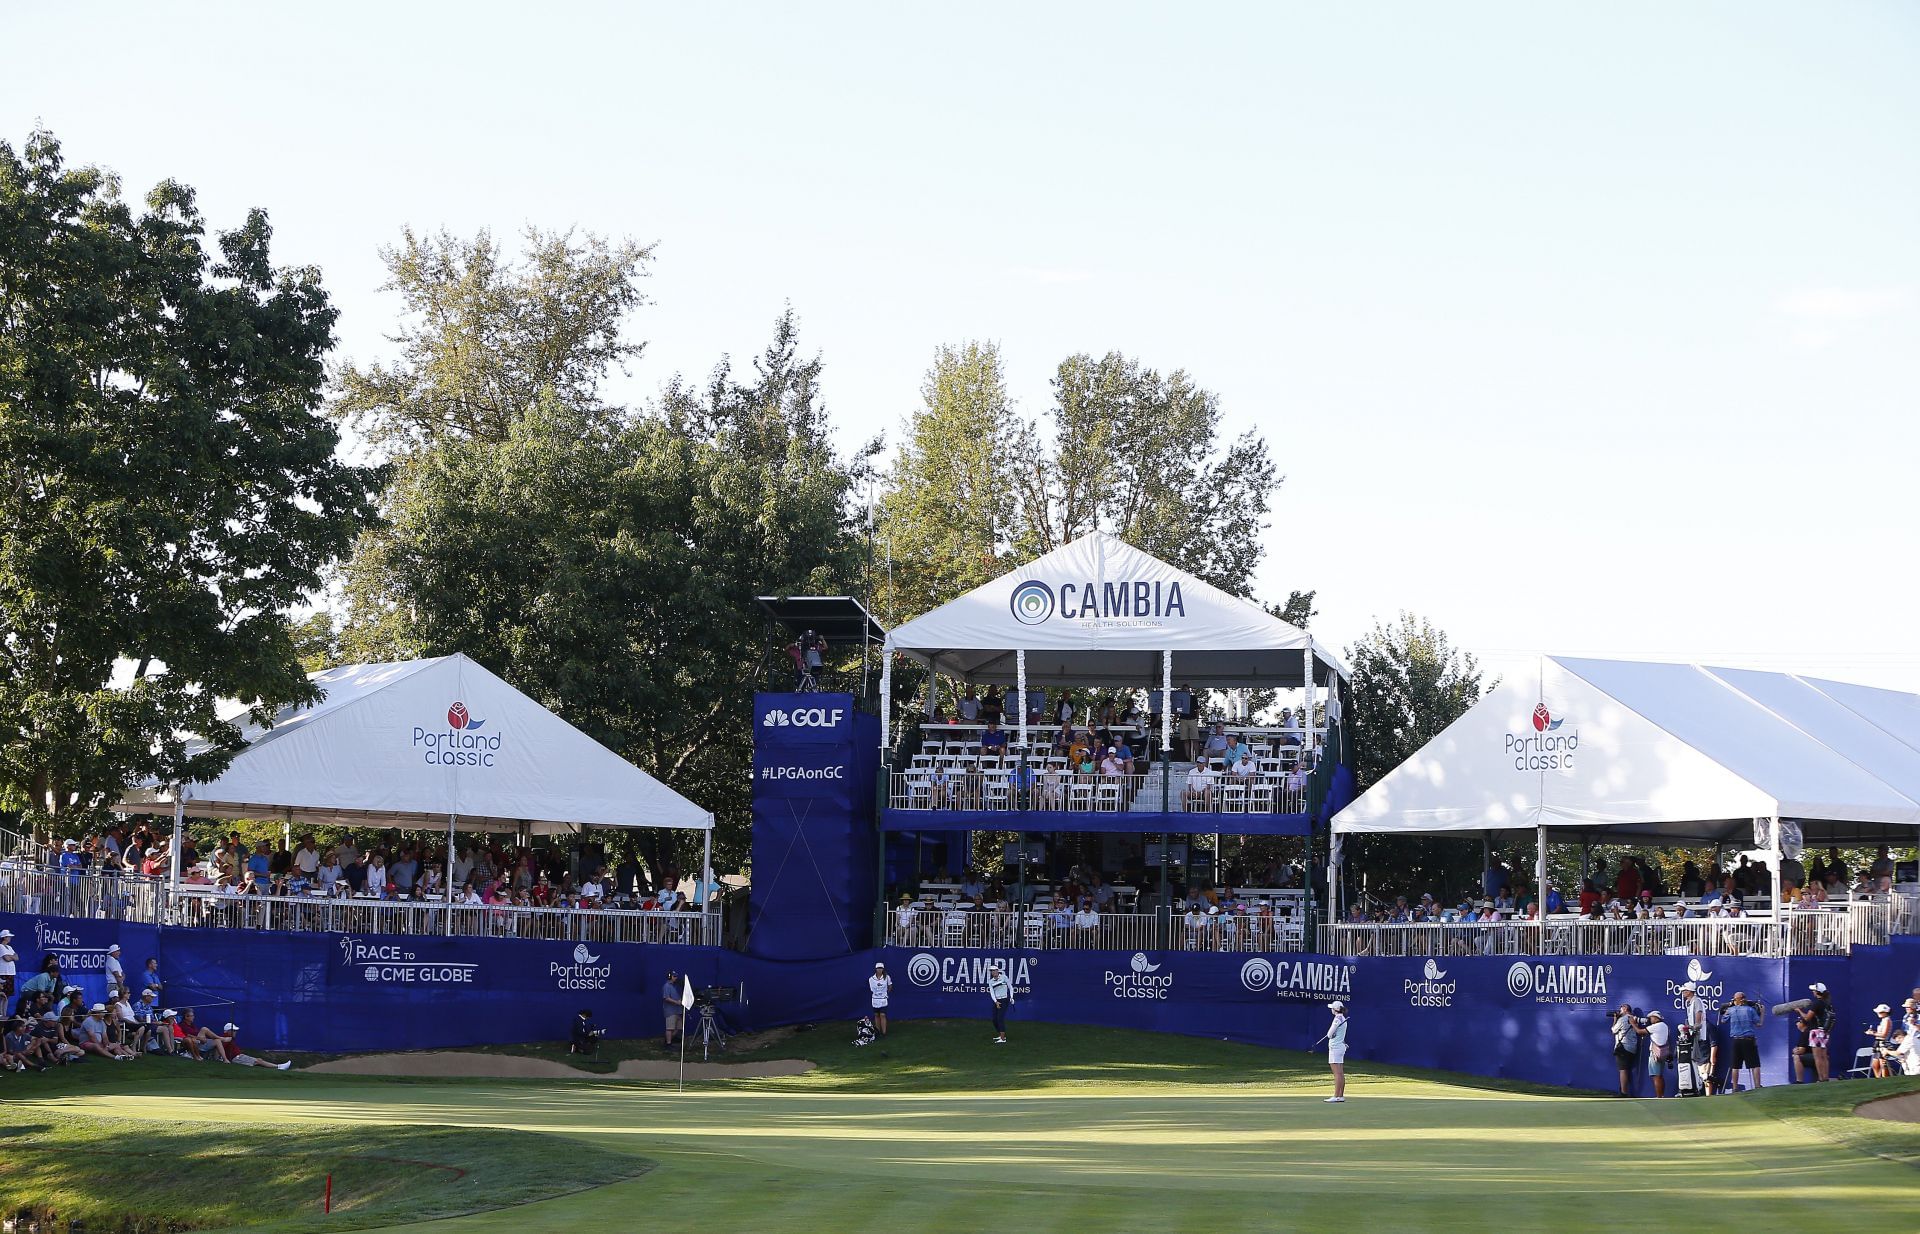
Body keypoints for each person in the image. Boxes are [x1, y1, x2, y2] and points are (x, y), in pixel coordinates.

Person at [1721, 992, 1766, 1090]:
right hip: (1748, 1040)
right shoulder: (1750, 1010)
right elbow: (1759, 1024)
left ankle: (1735, 1088)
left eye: (1734, 999)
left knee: (1735, 1065)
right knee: (1755, 1064)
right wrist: (1762, 1013)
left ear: (1739, 999)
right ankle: (1757, 1086)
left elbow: (1723, 1020)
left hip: (1736, 1041)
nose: (1733, 1001)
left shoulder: (1730, 1010)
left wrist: (1727, 1010)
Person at [1678, 980, 1713, 1095]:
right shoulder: (1691, 1002)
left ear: (1690, 991)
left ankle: (1704, 1089)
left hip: (1699, 1037)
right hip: (1695, 1036)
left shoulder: (1696, 1001)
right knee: (1696, 1062)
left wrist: (1693, 1028)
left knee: (1701, 1064)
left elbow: (1698, 1019)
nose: (1683, 992)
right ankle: (1699, 1087)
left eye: (1684, 990)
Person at [1609, 1003, 1644, 1096]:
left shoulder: (1622, 1019)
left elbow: (1613, 1030)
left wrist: (1615, 1019)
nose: (1619, 1011)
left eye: (1621, 1009)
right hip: (1632, 1047)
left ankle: (1624, 1092)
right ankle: (1624, 1090)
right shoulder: (1634, 1019)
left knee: (1623, 1070)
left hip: (1623, 1047)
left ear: (1625, 1009)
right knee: (1627, 1069)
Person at [1324, 1000, 1349, 1102]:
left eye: (1332, 1009)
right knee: (1340, 1073)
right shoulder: (1342, 1018)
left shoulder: (1337, 1019)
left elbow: (1329, 1034)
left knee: (1337, 1073)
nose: (1331, 1010)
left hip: (1335, 1047)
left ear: (1335, 1010)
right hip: (1340, 1046)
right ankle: (1340, 1096)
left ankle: (1336, 1096)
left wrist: (1331, 1035)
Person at [986, 960, 1013, 1044]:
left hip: (1004, 1000)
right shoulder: (990, 982)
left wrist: (1011, 997)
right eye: (991, 971)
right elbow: (992, 993)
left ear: (997, 971)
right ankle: (1001, 1034)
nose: (993, 972)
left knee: (1000, 1018)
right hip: (997, 1001)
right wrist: (996, 1002)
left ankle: (1003, 1038)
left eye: (994, 970)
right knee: (994, 1019)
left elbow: (1010, 987)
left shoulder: (1004, 977)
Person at [1645, 1010, 1671, 1098]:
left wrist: (1633, 1023)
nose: (1650, 1020)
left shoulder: (1656, 1026)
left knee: (1656, 1076)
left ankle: (1659, 1096)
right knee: (1660, 1075)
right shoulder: (1665, 1026)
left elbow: (1640, 1031)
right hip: (1663, 1053)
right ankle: (1661, 1095)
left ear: (1656, 1018)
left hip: (1655, 1053)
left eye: (1651, 1018)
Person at [868, 962, 892, 1039]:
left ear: (883, 969)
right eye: (878, 968)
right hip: (875, 999)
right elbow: (872, 989)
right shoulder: (871, 979)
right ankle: (877, 1032)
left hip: (883, 999)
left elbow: (890, 985)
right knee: (876, 1015)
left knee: (882, 1015)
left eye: (881, 968)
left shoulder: (887, 977)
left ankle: (884, 1033)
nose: (879, 970)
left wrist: (886, 993)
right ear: (876, 969)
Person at [662, 971, 685, 1049]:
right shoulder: (667, 986)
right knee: (670, 1028)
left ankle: (670, 1039)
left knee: (678, 1028)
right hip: (670, 1011)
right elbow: (666, 998)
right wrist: (677, 1002)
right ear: (670, 977)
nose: (676, 978)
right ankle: (668, 1044)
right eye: (674, 976)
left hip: (677, 1011)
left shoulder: (674, 986)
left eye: (676, 976)